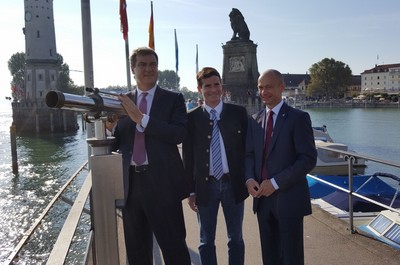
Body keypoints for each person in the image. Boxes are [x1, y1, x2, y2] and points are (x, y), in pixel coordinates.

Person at [108, 47, 191, 265]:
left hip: (163, 185)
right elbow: (118, 142)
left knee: (174, 249)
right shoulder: (121, 102)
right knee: (136, 253)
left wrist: (141, 118)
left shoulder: (173, 99)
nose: (148, 69)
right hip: (131, 186)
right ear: (132, 68)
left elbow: (178, 134)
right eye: (142, 64)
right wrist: (110, 130)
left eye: (152, 64)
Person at [245, 69, 317, 265]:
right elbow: (249, 155)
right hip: (262, 200)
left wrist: (276, 183)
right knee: (269, 257)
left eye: (268, 87)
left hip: (289, 199)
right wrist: (249, 179)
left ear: (281, 87)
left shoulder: (298, 118)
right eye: (260, 87)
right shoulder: (255, 120)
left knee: (292, 257)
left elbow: (308, 159)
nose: (263, 92)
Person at [182, 67, 249, 265]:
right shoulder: (191, 118)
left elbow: (248, 150)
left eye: (216, 84)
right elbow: (188, 157)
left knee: (236, 239)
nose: (213, 90)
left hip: (233, 184)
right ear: (199, 89)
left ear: (222, 86)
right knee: (205, 241)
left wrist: (249, 178)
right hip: (205, 186)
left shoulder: (238, 113)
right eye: (208, 86)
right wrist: (190, 191)